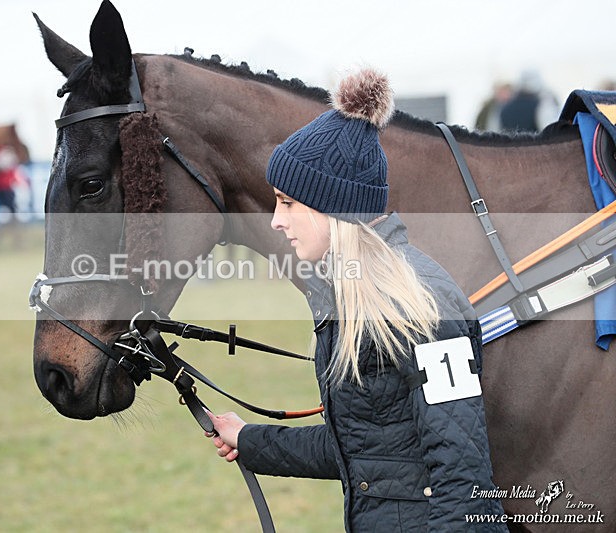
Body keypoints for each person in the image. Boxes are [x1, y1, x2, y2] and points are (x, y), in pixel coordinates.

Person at [206, 68, 506, 531]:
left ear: (331, 207)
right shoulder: (344, 297)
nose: (276, 222)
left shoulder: (424, 307)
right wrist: (250, 440)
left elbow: (464, 479)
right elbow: (364, 450)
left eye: (287, 203)